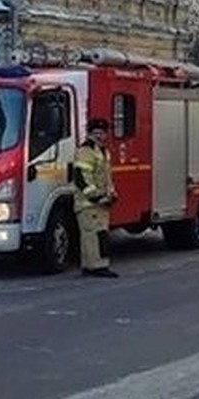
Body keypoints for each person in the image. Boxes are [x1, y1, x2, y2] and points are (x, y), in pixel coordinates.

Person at [72, 117, 118, 278]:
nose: (99, 136)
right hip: (89, 204)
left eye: (102, 133)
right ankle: (97, 267)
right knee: (94, 236)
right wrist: (95, 197)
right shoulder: (86, 151)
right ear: (89, 134)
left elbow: (106, 176)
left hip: (99, 202)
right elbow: (81, 177)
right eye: (96, 133)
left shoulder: (101, 151)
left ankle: (91, 266)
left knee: (95, 235)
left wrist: (111, 193)